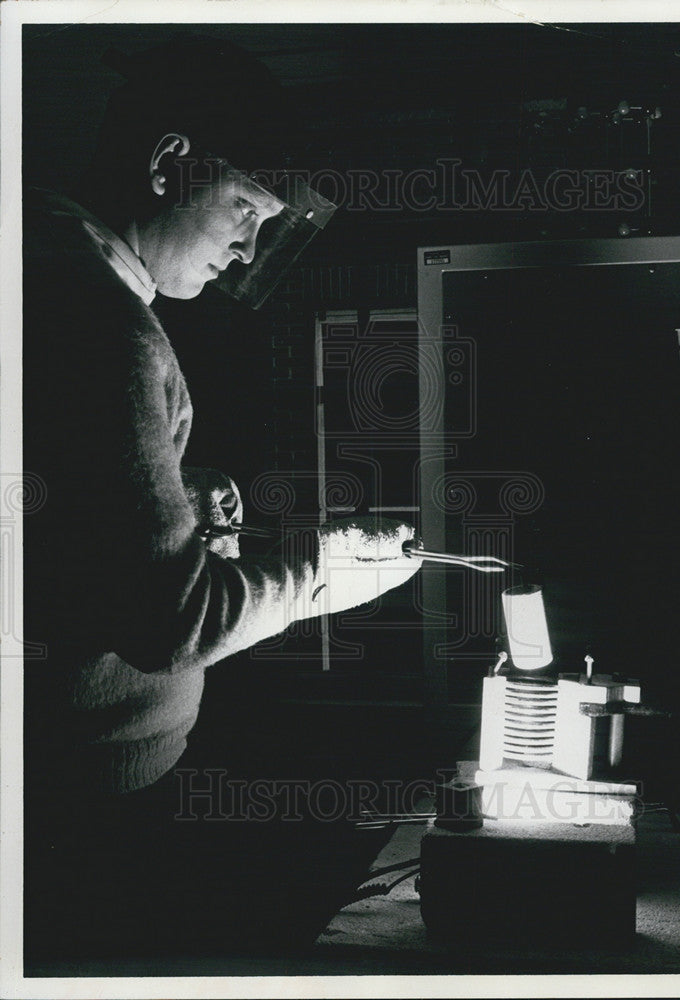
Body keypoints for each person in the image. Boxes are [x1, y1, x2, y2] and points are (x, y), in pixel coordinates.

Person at [23, 36, 420, 961]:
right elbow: (168, 622)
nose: (247, 251)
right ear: (169, 164)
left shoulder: (52, 268)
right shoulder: (99, 320)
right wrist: (328, 572)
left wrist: (169, 486)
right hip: (70, 796)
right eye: (244, 207)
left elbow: (54, 525)